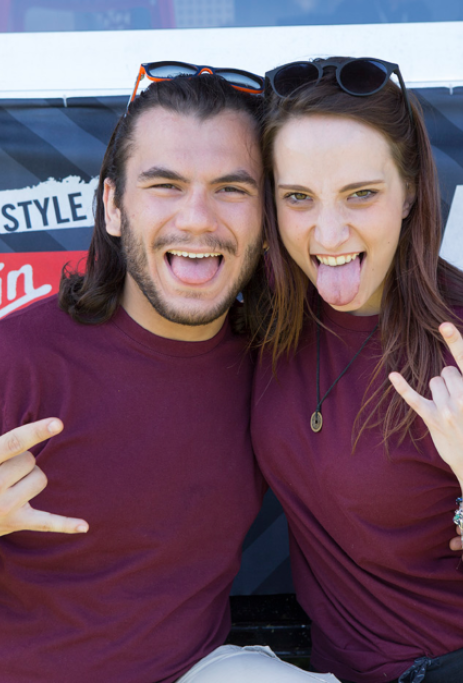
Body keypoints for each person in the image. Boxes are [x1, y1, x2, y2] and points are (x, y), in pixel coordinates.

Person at [247, 56, 463, 682]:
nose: (328, 231)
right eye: (298, 197)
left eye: (361, 194)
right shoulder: (269, 321)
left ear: (409, 194)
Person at [0, 70, 338, 682]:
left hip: (195, 670)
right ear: (112, 207)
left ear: (266, 221)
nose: (197, 219)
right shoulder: (15, 358)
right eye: (165, 185)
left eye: (231, 190)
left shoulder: (280, 364)